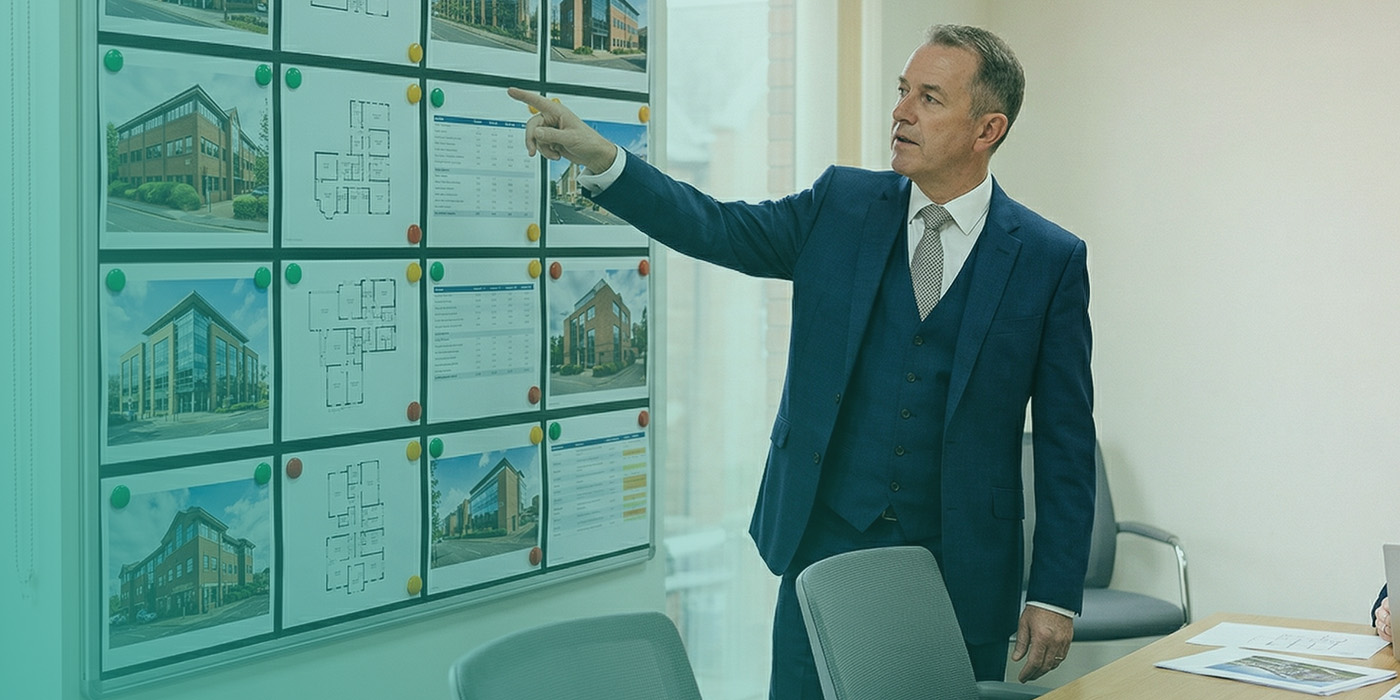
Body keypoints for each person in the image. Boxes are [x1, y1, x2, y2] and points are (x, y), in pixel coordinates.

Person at [510, 23, 1096, 697]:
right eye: (903, 91)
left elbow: (1065, 444)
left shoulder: (1049, 260)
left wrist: (1054, 593)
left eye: (929, 98)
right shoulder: (841, 204)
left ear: (986, 129)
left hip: (962, 568)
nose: (901, 111)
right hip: (823, 542)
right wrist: (607, 161)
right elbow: (717, 226)